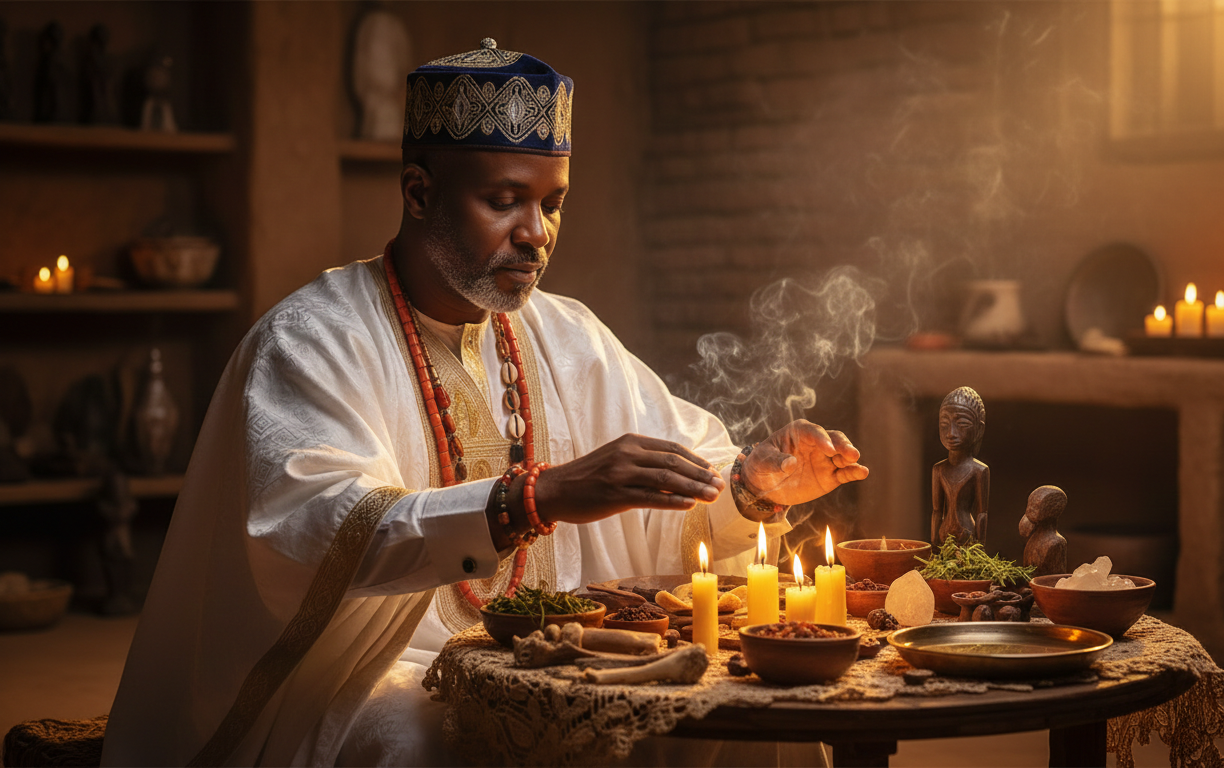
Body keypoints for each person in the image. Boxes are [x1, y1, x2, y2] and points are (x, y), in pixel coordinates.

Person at [102, 39, 868, 767]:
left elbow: (675, 496)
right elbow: (320, 526)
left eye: (553, 203)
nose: (537, 234)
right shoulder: (310, 340)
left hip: (569, 652)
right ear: (419, 192)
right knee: (422, 739)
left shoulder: (569, 336)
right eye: (505, 201)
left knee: (740, 721)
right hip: (381, 668)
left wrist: (749, 489)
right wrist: (539, 495)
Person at [930, 386, 989, 549]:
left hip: (967, 536)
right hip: (943, 536)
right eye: (944, 424)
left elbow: (982, 513)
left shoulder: (979, 470)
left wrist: (980, 546)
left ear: (979, 428)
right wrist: (934, 542)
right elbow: (936, 511)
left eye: (962, 424)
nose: (951, 433)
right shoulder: (939, 469)